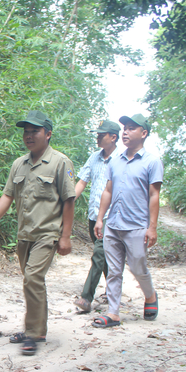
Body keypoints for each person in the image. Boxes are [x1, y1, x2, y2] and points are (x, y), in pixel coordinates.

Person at [0, 110, 76, 355]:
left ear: (48, 134)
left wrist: (65, 236)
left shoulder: (60, 162)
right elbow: (7, 195)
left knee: (32, 278)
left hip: (48, 233)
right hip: (25, 235)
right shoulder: (18, 164)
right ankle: (38, 329)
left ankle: (33, 332)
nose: (29, 135)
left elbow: (69, 200)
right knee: (33, 281)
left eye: (35, 131)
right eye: (26, 131)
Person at [93, 114, 163, 328]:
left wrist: (152, 227)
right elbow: (108, 190)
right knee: (114, 270)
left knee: (138, 267)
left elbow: (154, 196)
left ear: (143, 134)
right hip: (113, 224)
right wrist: (99, 219)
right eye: (125, 128)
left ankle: (150, 295)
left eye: (132, 128)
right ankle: (113, 313)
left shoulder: (152, 161)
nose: (125, 132)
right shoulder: (115, 161)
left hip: (137, 226)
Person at [73, 120, 120, 313]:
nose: (98, 136)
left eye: (102, 134)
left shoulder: (122, 159)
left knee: (99, 255)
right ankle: (113, 292)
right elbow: (82, 182)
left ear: (113, 137)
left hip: (112, 216)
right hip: (94, 215)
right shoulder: (94, 157)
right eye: (98, 134)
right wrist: (66, 203)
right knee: (106, 257)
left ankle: (86, 298)